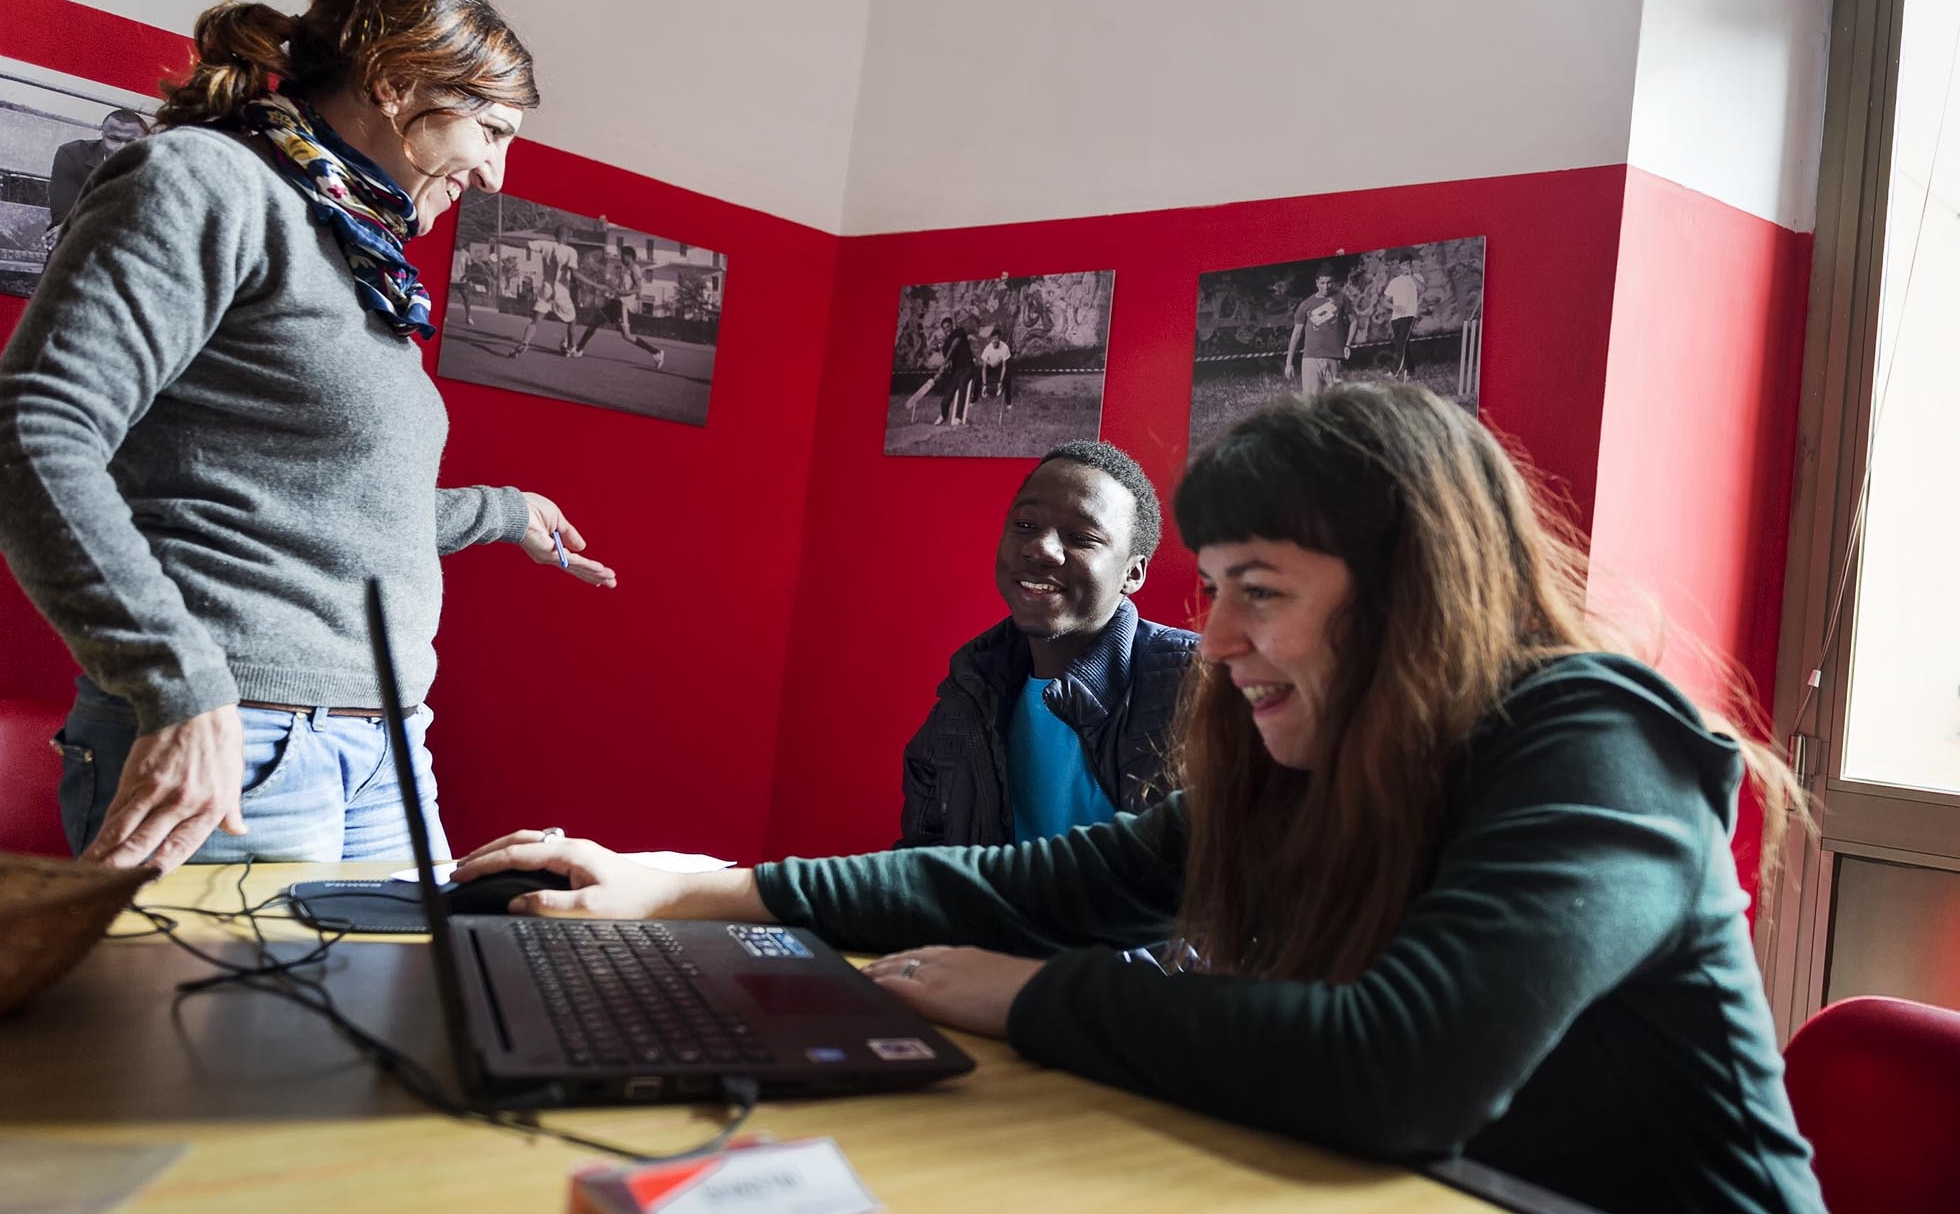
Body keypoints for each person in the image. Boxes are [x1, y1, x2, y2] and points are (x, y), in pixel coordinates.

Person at [457, 384, 1825, 1214]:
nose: (1216, 642)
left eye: (1262, 591)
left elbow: (1400, 1067)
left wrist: (1027, 994)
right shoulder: (1308, 749)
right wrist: (698, 884)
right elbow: (1042, 880)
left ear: (1409, 592)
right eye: (1212, 587)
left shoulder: (1595, 740)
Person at [0, 0, 618, 874]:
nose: (499, 174)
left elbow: (318, 510)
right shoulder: (203, 182)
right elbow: (28, 437)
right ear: (394, 85)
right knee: (235, 1026)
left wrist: (506, 509)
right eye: (492, 130)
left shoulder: (351, 247)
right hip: (244, 734)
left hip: (383, 747)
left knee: (409, 1018)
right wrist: (179, 685)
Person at [898, 440, 1197, 847]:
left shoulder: (1198, 684)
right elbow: (921, 873)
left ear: (1133, 573)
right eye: (1025, 525)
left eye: (1081, 535)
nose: (1041, 548)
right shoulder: (963, 703)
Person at [41, 108, 149, 254]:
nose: (121, 149)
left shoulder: (157, 168)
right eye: (114, 139)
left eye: (131, 141)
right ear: (101, 133)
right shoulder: (73, 155)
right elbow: (64, 217)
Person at [569, 247, 663, 369]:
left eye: (623, 255)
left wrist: (623, 292)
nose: (621, 258)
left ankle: (656, 352)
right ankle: (579, 349)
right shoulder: (626, 269)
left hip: (622, 305)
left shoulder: (635, 269)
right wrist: (612, 289)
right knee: (594, 322)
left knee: (627, 336)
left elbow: (638, 289)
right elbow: (621, 288)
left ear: (629, 256)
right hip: (615, 302)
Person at [515, 221, 580, 357]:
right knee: (572, 321)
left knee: (535, 320)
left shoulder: (546, 245)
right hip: (561, 292)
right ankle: (570, 348)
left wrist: (499, 239)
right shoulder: (571, 251)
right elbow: (575, 273)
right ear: (567, 236)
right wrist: (596, 285)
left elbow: (523, 244)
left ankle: (525, 342)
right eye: (570, 237)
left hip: (546, 290)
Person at [1284, 268, 1352, 395]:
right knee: (1311, 402)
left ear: (1334, 282)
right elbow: (1296, 334)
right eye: (1322, 283)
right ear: (1316, 283)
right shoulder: (1306, 304)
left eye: (1329, 282)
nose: (1325, 287)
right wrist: (1289, 363)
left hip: (1333, 356)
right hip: (1310, 358)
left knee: (1334, 400)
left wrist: (1348, 344)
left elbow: (1355, 321)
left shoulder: (1341, 299)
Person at [1383, 252, 1426, 378]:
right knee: (1403, 343)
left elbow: (1423, 289)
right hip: (1396, 317)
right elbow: (1385, 301)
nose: (1406, 267)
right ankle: (1410, 370)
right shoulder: (1395, 281)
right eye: (1403, 265)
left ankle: (1394, 370)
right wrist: (1394, 307)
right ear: (1400, 266)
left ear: (1411, 265)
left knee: (1401, 342)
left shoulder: (1417, 277)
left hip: (1410, 314)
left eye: (1408, 264)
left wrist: (1412, 275)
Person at [977, 326, 1015, 418]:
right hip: (991, 365)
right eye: (993, 338)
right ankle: (973, 400)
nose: (995, 340)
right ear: (990, 339)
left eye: (997, 338)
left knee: (1007, 380)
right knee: (977, 377)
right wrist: (984, 384)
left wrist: (1000, 382)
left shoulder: (1005, 347)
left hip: (1001, 365)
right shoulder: (987, 348)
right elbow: (984, 368)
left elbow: (1004, 367)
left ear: (999, 338)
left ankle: (1009, 403)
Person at [449, 243, 478, 325]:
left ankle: (468, 317)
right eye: (458, 241)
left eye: (461, 242)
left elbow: (469, 267)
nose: (459, 243)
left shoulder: (466, 254)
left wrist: (466, 276)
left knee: (466, 298)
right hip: (450, 279)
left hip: (461, 280)